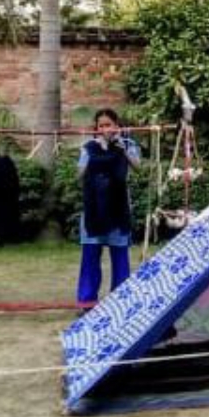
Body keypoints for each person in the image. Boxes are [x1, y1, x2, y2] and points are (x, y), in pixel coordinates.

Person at [77, 108, 141, 307]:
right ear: (96, 129)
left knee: (120, 256)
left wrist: (120, 147)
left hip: (118, 208)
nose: (105, 129)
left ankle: (120, 300)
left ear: (117, 126)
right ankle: (87, 301)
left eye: (109, 125)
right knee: (90, 255)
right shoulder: (88, 147)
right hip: (94, 210)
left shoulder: (128, 145)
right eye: (101, 126)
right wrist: (93, 150)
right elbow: (79, 175)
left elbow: (138, 167)